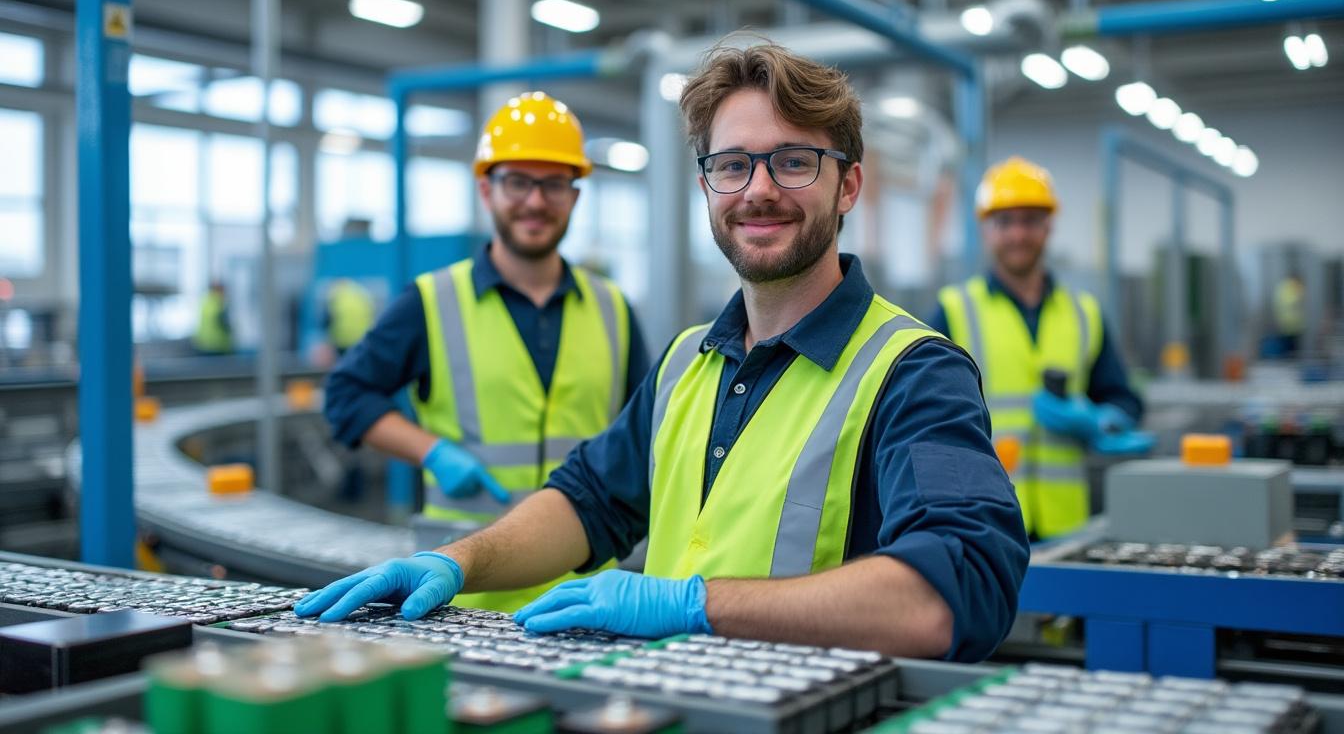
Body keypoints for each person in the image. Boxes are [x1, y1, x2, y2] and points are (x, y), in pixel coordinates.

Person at [299, 43, 1028, 661]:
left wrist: (695, 605)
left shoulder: (913, 373)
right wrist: (456, 562)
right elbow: (588, 503)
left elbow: (954, 592)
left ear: (849, 186)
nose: (759, 190)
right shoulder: (687, 362)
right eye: (732, 165)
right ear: (707, 184)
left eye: (794, 162)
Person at [322, 91, 650, 612]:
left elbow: (645, 438)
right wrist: (432, 451)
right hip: (461, 591)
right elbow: (346, 395)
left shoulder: (614, 309)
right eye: (518, 181)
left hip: (582, 593)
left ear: (574, 196)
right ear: (485, 189)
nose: (536, 202)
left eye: (553, 184)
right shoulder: (432, 302)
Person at [926, 157, 1147, 541]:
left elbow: (1124, 400)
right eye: (1005, 222)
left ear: (1048, 226)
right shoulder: (953, 311)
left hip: (1066, 523)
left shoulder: (1084, 313)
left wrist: (1101, 420)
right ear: (986, 229)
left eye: (1030, 220)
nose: (1018, 234)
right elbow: (924, 414)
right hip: (982, 519)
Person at [324, 278, 376, 356]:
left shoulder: (336, 297)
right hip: (361, 338)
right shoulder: (361, 296)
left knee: (344, 361)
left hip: (342, 339)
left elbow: (327, 320)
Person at [192, 280, 233, 354]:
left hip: (204, 343)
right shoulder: (219, 305)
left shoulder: (206, 302)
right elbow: (224, 324)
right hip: (218, 345)